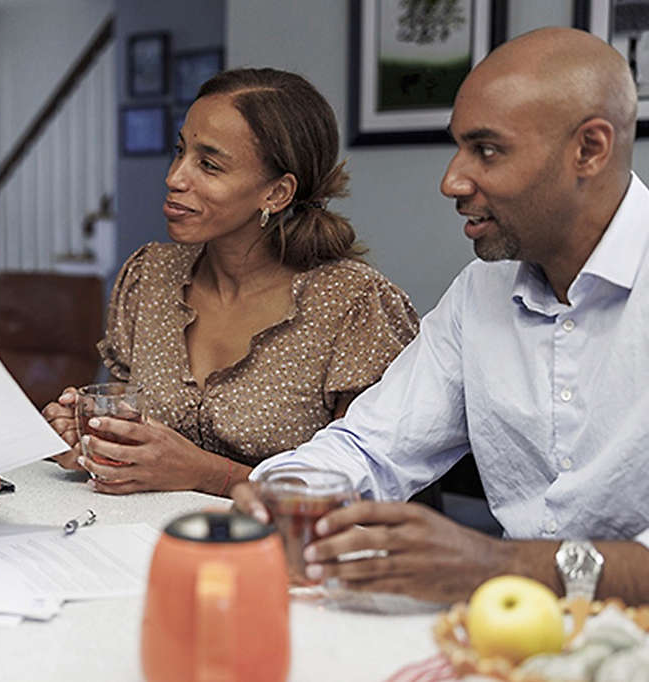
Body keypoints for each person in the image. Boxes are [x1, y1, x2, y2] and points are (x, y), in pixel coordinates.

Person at [233, 27, 649, 604]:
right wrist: (285, 491)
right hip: (512, 635)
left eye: (487, 150)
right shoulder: (481, 291)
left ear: (590, 150)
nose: (451, 180)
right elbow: (370, 446)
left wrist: (499, 564)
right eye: (457, 147)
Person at [42, 68, 419, 496]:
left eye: (209, 165)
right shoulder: (148, 276)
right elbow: (128, 426)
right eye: (179, 151)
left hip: (287, 552)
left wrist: (208, 474)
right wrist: (92, 438)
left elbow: (360, 490)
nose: (174, 178)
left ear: (276, 194)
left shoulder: (355, 305)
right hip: (143, 536)